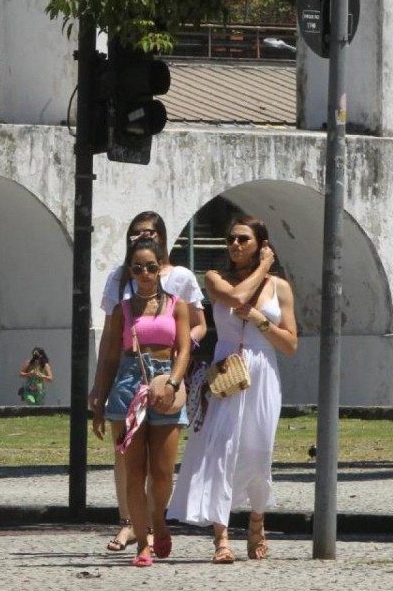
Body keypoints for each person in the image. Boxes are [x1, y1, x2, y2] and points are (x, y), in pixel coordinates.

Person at [168, 216, 298, 563]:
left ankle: (257, 519)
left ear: (261, 243)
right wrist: (265, 266)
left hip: (262, 373)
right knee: (221, 449)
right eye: (231, 239)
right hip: (227, 370)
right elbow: (236, 297)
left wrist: (260, 320)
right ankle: (221, 536)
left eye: (243, 239)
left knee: (258, 450)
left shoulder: (280, 288)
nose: (235, 245)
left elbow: (290, 344)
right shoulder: (215, 278)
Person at [93, 211, 207, 552]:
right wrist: (98, 395)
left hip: (166, 380)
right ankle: (142, 539)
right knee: (133, 469)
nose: (145, 274)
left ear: (162, 266)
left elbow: (184, 349)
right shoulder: (122, 311)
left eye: (151, 267)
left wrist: (172, 382)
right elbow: (111, 356)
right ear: (131, 271)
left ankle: (158, 519)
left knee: (161, 471)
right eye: (138, 268)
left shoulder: (178, 306)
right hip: (129, 381)